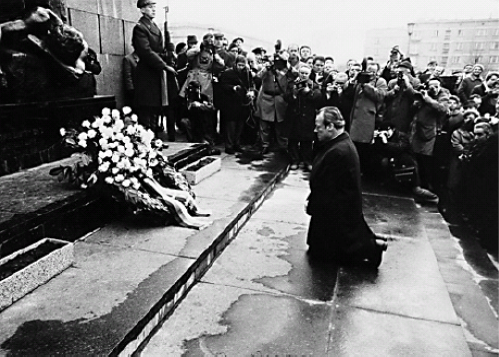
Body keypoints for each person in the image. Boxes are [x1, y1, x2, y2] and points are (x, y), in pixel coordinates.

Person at [306, 106, 387, 268]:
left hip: (335, 215)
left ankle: (371, 249)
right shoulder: (340, 145)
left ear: (330, 126)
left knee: (327, 255)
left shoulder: (338, 151)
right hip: (334, 211)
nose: (316, 130)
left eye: (319, 127)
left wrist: (312, 204)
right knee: (318, 252)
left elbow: (328, 191)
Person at [132, 0, 177, 136]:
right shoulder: (140, 27)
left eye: (154, 7)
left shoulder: (153, 26)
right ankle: (147, 141)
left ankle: (154, 139)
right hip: (147, 73)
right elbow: (145, 51)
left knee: (155, 108)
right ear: (142, 10)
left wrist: (167, 54)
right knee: (147, 108)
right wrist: (164, 65)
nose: (153, 9)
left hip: (154, 72)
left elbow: (158, 49)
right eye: (150, 7)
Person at [410, 77, 450, 193]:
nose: (434, 89)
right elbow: (412, 108)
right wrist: (418, 101)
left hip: (429, 133)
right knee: (415, 158)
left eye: (436, 86)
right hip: (417, 130)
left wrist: (427, 98)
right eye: (431, 86)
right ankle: (416, 184)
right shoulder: (422, 93)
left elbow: (442, 109)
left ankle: (425, 186)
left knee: (425, 161)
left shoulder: (443, 96)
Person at [349, 60, 388, 173]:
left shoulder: (380, 82)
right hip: (355, 117)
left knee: (364, 146)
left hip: (367, 118)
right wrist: (354, 80)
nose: (371, 74)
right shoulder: (359, 81)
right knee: (353, 145)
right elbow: (350, 94)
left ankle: (361, 171)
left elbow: (380, 96)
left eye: (373, 72)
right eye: (369, 71)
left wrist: (366, 85)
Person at [255, 50, 296, 155]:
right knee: (264, 125)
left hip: (280, 98)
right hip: (266, 97)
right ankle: (264, 145)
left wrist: (286, 63)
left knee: (280, 125)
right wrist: (267, 66)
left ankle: (282, 145)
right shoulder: (267, 69)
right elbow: (257, 77)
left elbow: (295, 74)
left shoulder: (286, 70)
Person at [287, 64, 322, 171]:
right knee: (293, 140)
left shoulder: (313, 85)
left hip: (308, 117)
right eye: (302, 73)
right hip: (294, 116)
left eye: (306, 73)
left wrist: (309, 92)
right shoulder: (292, 83)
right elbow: (286, 97)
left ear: (309, 74)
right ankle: (294, 160)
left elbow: (318, 97)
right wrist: (294, 93)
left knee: (307, 141)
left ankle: (307, 161)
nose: (303, 75)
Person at [219, 55, 255, 154]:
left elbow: (251, 84)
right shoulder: (228, 73)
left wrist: (251, 92)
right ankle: (229, 145)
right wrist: (233, 88)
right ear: (235, 63)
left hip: (242, 102)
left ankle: (237, 144)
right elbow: (223, 85)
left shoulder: (247, 74)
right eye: (239, 65)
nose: (241, 67)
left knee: (240, 124)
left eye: (243, 65)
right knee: (231, 125)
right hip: (231, 102)